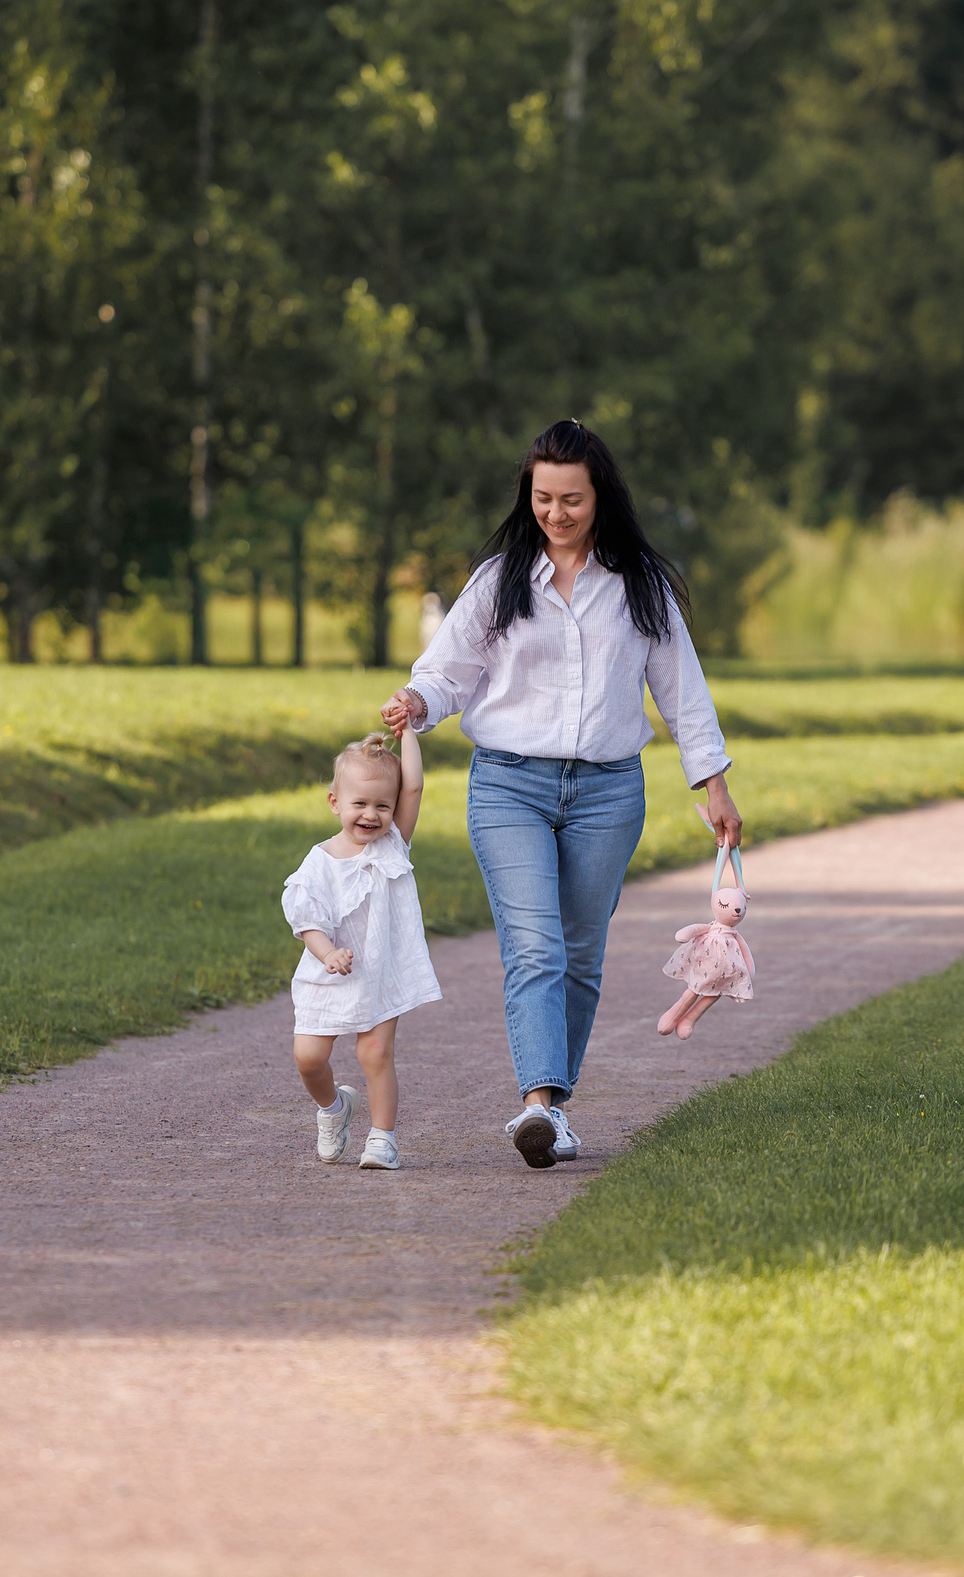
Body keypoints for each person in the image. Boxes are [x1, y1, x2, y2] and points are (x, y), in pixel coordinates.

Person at [385, 418, 741, 1169]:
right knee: (537, 947)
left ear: (599, 496)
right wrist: (418, 702)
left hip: (608, 794)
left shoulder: (639, 584)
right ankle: (537, 1108)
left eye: (571, 499)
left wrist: (712, 784)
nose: (556, 512)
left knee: (580, 953)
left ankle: (556, 1108)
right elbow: (447, 671)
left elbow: (682, 692)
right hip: (510, 784)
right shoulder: (501, 580)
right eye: (544, 497)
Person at [280, 727, 438, 1171]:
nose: (371, 815)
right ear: (335, 803)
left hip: (379, 970)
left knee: (375, 1053)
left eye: (382, 806)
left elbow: (415, 784)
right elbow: (306, 918)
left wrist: (408, 732)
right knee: (308, 1058)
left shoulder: (392, 846)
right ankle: (334, 1109)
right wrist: (327, 952)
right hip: (327, 971)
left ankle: (382, 1138)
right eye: (360, 804)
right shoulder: (319, 861)